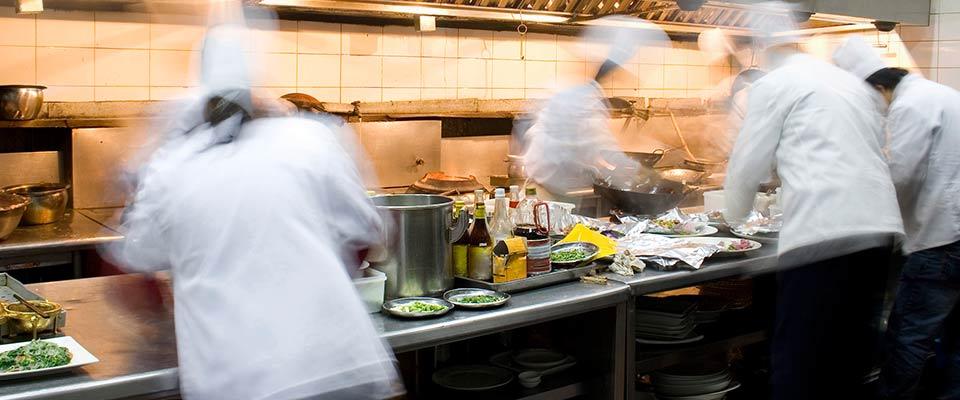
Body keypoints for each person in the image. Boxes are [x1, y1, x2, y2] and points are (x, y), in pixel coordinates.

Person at [104, 21, 401, 400]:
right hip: (339, 367)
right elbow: (366, 234)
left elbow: (132, 274)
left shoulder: (172, 166)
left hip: (240, 379)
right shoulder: (312, 139)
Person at [722, 6, 904, 399]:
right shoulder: (849, 83)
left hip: (823, 236)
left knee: (799, 366)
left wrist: (730, 221)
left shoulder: (776, 83)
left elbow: (747, 164)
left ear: (762, 46)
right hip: (878, 233)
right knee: (850, 363)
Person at [834, 36, 960, 400]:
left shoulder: (910, 105)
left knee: (909, 336)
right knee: (953, 338)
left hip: (941, 242)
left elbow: (902, 175)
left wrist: (861, 211)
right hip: (953, 237)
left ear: (878, 88)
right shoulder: (942, 94)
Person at [520, 16, 669, 203]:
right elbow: (600, 146)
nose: (629, 79)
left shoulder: (582, 93)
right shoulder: (581, 99)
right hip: (548, 198)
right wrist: (638, 171)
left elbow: (591, 149)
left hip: (558, 191)